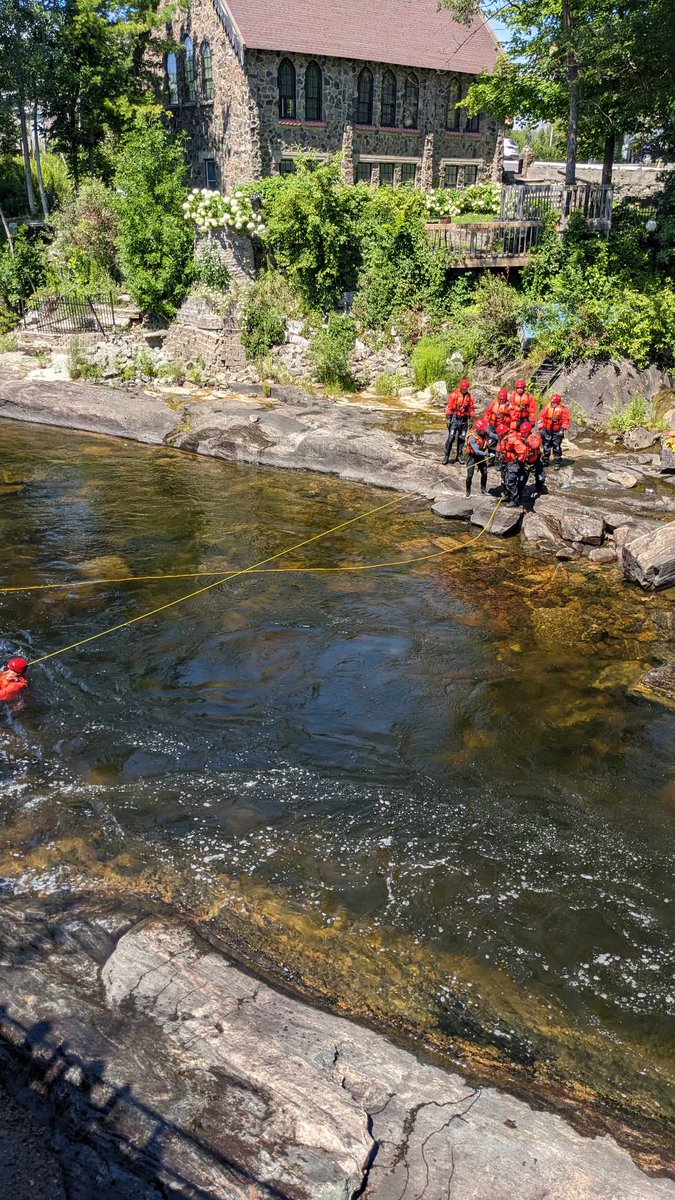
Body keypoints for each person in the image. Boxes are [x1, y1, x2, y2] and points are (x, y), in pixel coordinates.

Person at [443, 379, 476, 464]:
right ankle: (446, 456)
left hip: (464, 419)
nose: (464, 390)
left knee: (462, 438)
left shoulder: (470, 397)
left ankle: (459, 455)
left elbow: (471, 409)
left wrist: (471, 420)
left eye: (466, 388)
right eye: (463, 388)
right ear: (460, 387)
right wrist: (448, 419)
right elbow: (449, 407)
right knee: (451, 438)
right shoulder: (454, 395)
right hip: (455, 419)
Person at [496, 421, 528, 508]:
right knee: (504, 481)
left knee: (510, 482)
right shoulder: (503, 439)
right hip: (505, 461)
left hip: (513, 462)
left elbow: (522, 450)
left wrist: (519, 461)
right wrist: (501, 455)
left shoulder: (513, 439)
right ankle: (508, 496)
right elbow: (500, 448)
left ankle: (515, 500)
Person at [539, 393, 571, 470]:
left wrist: (562, 429)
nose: (554, 404)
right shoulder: (547, 408)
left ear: (558, 402)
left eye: (555, 402)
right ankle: (545, 461)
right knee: (546, 446)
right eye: (553, 402)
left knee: (556, 447)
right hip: (547, 430)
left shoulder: (563, 409)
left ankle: (557, 463)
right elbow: (542, 418)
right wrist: (541, 428)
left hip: (557, 431)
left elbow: (566, 420)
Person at [465, 418, 492, 498]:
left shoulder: (485, 434)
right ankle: (468, 491)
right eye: (482, 429)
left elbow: (493, 436)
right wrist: (486, 454)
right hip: (472, 456)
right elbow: (476, 451)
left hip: (481, 456)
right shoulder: (472, 437)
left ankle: (483, 489)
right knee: (470, 475)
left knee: (484, 473)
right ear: (478, 429)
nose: (484, 431)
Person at [520, 420, 546, 500]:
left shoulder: (534, 436)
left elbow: (536, 445)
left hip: (535, 460)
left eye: (525, 433)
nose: (523, 434)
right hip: (525, 461)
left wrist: (528, 443)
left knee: (540, 477)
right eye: (522, 432)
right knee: (522, 478)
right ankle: (519, 492)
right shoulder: (519, 437)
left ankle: (539, 487)